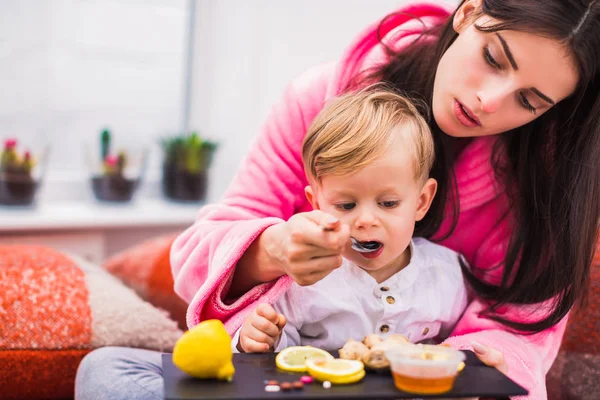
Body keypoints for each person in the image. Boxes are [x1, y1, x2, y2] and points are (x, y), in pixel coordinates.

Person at [75, 1, 600, 399]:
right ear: (468, 12)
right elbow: (208, 261)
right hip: (290, 379)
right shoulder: (320, 99)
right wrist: (272, 250)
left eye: (529, 100)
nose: (489, 100)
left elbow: (519, 334)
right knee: (107, 371)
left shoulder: (540, 185)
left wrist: (466, 365)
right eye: (492, 57)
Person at [235, 87, 469, 353]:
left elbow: (468, 340)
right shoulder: (302, 281)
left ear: (422, 201)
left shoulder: (447, 275)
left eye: (388, 203)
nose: (366, 220)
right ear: (317, 205)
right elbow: (275, 348)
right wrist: (257, 338)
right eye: (346, 205)